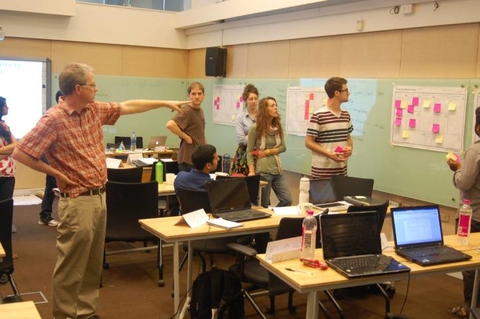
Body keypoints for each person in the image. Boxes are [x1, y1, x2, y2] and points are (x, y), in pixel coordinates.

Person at [12, 62, 187, 319]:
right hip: (77, 201)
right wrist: (56, 174)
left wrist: (163, 102)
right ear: (78, 88)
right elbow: (21, 152)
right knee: (71, 265)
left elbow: (127, 106)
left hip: (99, 197)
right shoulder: (54, 119)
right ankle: (65, 315)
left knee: (93, 264)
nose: (97, 89)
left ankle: (85, 312)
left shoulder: (93, 110)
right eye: (93, 85)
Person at [446, 107, 480, 319]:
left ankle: (469, 308)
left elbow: (464, 183)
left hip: (474, 216)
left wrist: (457, 168)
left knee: (469, 266)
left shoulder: (475, 151)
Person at [246, 96, 292, 208]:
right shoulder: (255, 128)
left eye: (276, 105)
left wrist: (267, 151)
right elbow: (249, 152)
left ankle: (275, 216)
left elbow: (283, 147)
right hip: (263, 171)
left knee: (287, 200)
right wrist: (251, 171)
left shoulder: (277, 127)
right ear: (264, 109)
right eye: (272, 106)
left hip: (278, 170)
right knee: (263, 205)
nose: (276, 108)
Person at [305, 77, 353, 179]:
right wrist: (329, 154)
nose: (349, 93)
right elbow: (309, 142)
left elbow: (348, 138)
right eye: (346, 90)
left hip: (341, 171)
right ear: (337, 93)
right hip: (322, 172)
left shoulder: (346, 115)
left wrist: (349, 148)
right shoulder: (318, 115)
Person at [166, 82, 206, 172]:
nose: (197, 96)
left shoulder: (200, 111)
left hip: (198, 158)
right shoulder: (187, 110)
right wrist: (186, 137)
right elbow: (170, 124)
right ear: (188, 96)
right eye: (193, 94)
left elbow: (200, 133)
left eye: (199, 93)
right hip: (188, 159)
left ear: (204, 95)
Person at [38, 90, 63, 227]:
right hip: (48, 156)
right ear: (61, 98)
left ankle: (44, 215)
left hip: (53, 157)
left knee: (50, 185)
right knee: (55, 184)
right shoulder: (53, 116)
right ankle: (45, 216)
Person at [0, 96, 17, 284]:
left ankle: (4, 263)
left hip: (7, 176)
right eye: (5, 105)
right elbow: (10, 148)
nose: (7, 107)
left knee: (4, 219)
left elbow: (15, 147)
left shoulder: (4, 126)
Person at [231, 84, 259, 176]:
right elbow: (241, 140)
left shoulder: (262, 117)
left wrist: (249, 136)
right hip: (243, 154)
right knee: (242, 185)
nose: (253, 101)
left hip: (259, 154)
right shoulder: (240, 117)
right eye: (251, 99)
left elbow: (264, 138)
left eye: (255, 98)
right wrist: (255, 137)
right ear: (246, 100)